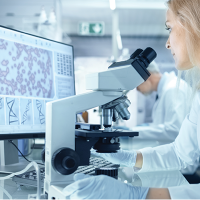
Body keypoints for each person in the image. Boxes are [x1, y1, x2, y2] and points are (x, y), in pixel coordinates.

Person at [63, 0, 200, 198]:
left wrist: (138, 195)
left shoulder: (175, 90)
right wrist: (129, 158)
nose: (167, 43)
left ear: (192, 24)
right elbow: (180, 153)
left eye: (169, 28)